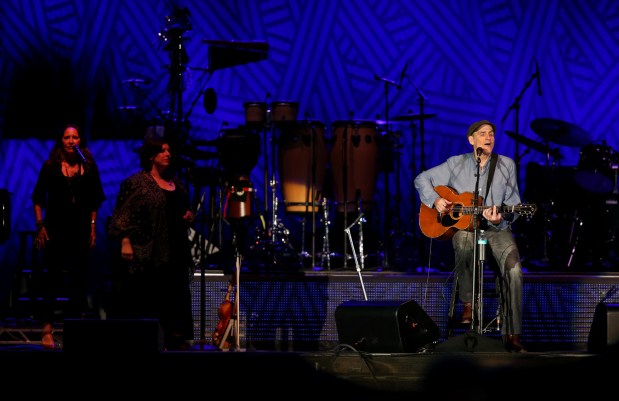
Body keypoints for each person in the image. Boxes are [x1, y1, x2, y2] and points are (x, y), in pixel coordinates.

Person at [414, 120, 526, 352]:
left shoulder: (506, 165)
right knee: (464, 243)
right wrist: (435, 200)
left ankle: (513, 334)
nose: (488, 137)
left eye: (492, 134)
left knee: (514, 269)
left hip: (496, 230)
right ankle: (468, 305)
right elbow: (421, 179)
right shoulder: (456, 163)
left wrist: (500, 218)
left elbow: (514, 204)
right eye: (483, 134)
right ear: (471, 140)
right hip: (465, 229)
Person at [107, 135, 195, 350]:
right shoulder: (137, 183)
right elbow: (121, 215)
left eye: (169, 150)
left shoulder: (175, 183)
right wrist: (125, 240)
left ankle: (174, 339)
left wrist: (188, 216)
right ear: (150, 156)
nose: (168, 154)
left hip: (176, 248)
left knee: (175, 294)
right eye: (163, 150)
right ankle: (150, 341)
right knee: (151, 296)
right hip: (150, 250)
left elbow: (180, 209)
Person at [32, 123, 106, 349]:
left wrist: (92, 227)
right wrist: (40, 225)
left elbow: (95, 200)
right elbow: (37, 198)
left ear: (80, 141)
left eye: (75, 137)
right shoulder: (50, 167)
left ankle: (72, 328)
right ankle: (47, 329)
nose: (71, 141)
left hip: (80, 230)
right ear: (61, 141)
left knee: (78, 280)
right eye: (67, 137)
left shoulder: (89, 167)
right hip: (55, 228)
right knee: (52, 279)